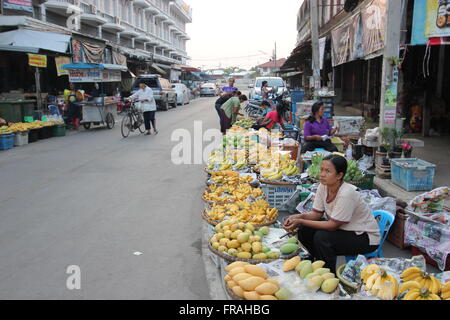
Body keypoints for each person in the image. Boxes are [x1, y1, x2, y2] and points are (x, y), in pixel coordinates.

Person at [282, 155, 380, 273]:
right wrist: (299, 217)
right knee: (304, 229)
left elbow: (333, 225)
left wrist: (301, 220)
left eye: (327, 171)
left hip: (364, 237)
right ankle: (313, 262)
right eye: (321, 169)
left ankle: (327, 274)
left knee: (322, 238)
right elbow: (316, 214)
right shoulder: (323, 187)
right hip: (344, 229)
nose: (322, 174)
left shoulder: (346, 193)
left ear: (339, 175)